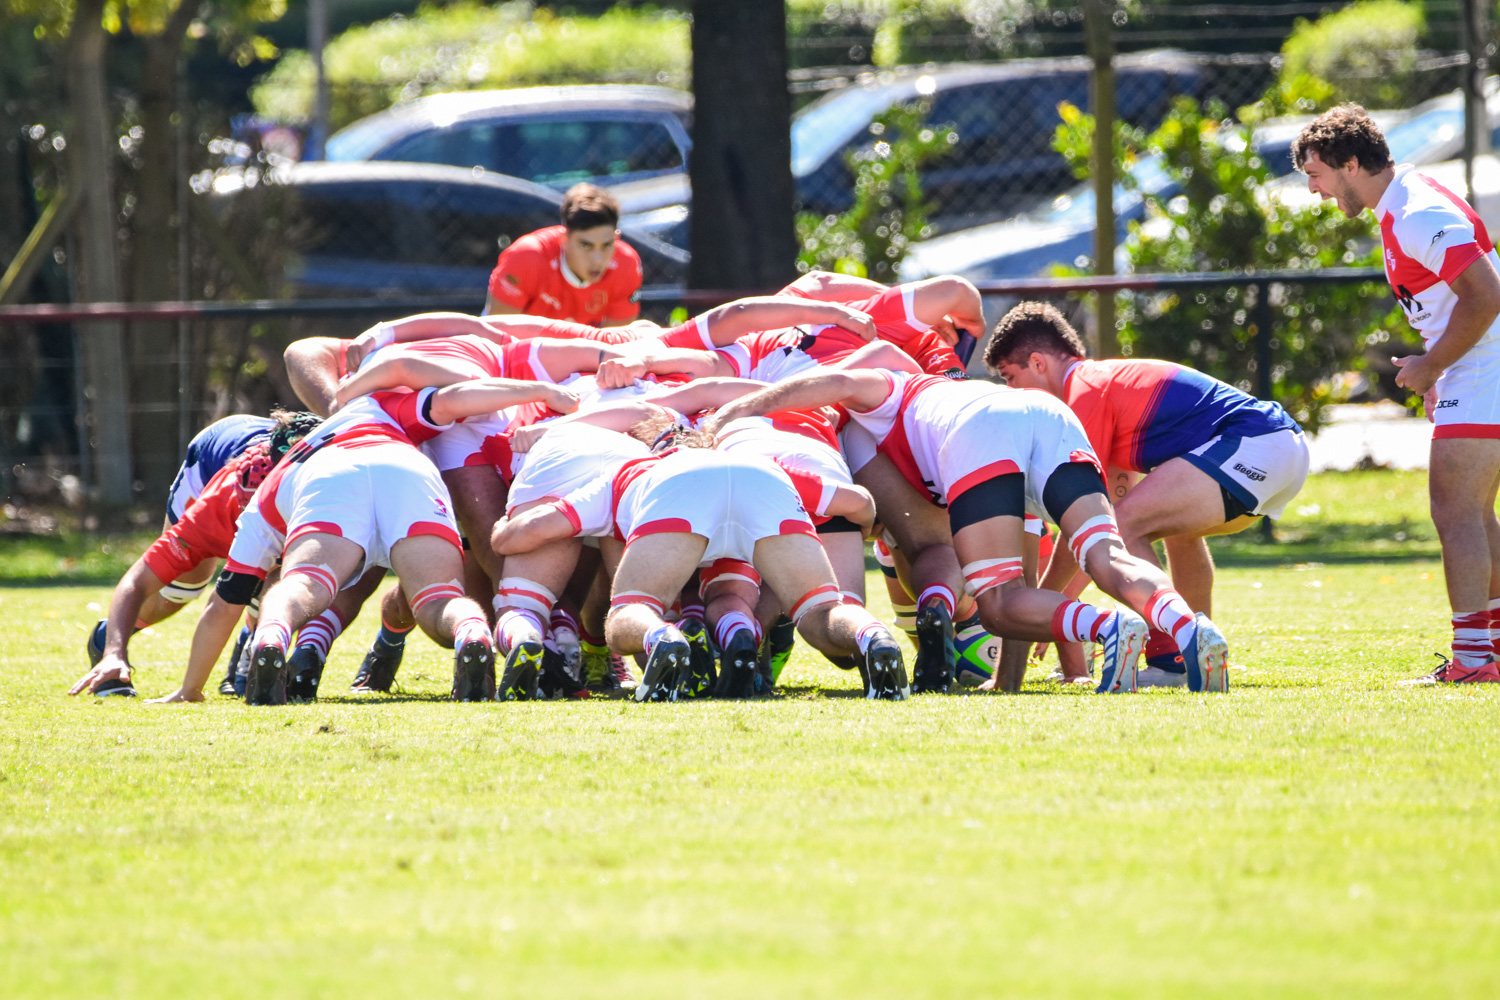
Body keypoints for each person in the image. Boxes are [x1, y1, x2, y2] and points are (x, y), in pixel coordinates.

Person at [709, 367, 1235, 694]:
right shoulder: (937, 398)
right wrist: (1007, 684)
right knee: (1107, 555)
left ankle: (1106, 628)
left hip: (981, 431)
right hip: (1050, 415)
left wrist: (742, 409)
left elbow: (843, 381)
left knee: (996, 602)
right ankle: (1192, 629)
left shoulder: (886, 396)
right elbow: (1027, 570)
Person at [984, 301, 1309, 687]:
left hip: (1255, 443)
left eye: (1009, 377)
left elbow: (1090, 529)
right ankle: (1196, 649)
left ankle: (1170, 659)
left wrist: (1039, 611)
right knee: (1173, 532)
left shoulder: (1084, 391)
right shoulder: (1104, 385)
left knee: (1124, 528)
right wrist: (1054, 610)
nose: (1010, 391)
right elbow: (1103, 523)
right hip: (1282, 447)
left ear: (1038, 363)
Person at [1295, 104, 1500, 685]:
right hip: (1478, 366)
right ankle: (1488, 654)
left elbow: (1486, 295)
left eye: (1316, 174)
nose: (1314, 190)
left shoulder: (1414, 210)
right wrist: (1440, 364)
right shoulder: (1401, 206)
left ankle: (1474, 661)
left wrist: (1435, 365)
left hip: (1484, 366)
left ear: (1350, 163)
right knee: (1475, 511)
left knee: (1454, 509)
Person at [493, 426, 910, 701]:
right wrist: (873, 528)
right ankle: (872, 636)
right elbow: (859, 502)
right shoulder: (759, 461)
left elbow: (533, 530)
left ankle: (662, 638)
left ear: (655, 445)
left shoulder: (631, 467)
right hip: (763, 480)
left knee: (629, 614)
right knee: (822, 611)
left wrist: (501, 530)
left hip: (675, 488)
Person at [68, 411, 320, 698]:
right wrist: (115, 651)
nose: (257, 518)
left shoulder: (333, 496)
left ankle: (248, 651)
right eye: (251, 506)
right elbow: (138, 580)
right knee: (179, 592)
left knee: (288, 579)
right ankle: (106, 639)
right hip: (211, 460)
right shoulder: (216, 507)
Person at [484, 183, 643, 326]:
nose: (598, 259)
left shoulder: (626, 265)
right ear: (564, 239)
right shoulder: (526, 258)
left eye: (607, 245)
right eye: (586, 245)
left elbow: (615, 345)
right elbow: (497, 337)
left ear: (616, 238)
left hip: (580, 353)